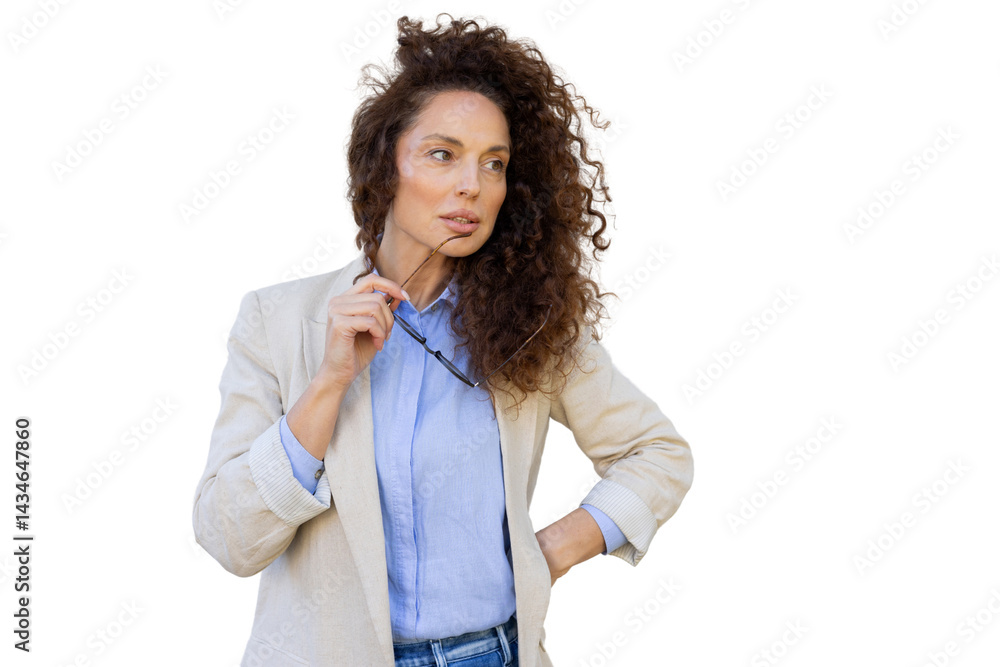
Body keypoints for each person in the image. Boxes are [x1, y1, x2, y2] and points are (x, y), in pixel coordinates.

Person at [192, 14, 693, 667]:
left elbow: (657, 454)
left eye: (495, 164)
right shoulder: (278, 320)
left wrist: (550, 551)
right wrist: (329, 384)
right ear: (384, 165)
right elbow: (229, 538)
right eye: (442, 154)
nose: (472, 186)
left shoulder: (531, 324)